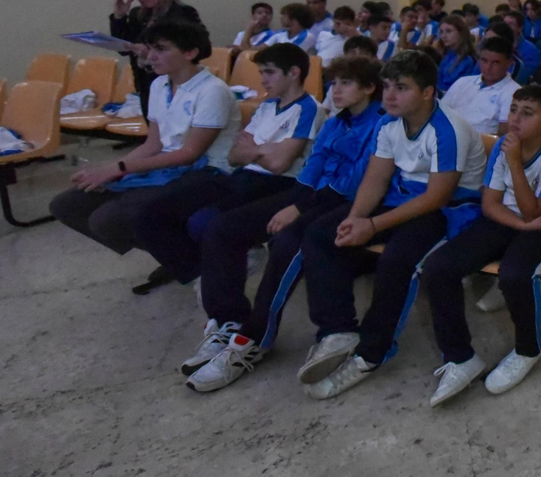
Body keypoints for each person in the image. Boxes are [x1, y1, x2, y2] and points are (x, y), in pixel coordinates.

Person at [183, 56, 387, 392]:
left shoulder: (380, 124)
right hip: (312, 195)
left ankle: (252, 339)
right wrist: (296, 202)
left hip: (348, 203)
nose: (335, 90)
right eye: (333, 82)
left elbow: (353, 184)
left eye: (346, 83)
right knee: (222, 228)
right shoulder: (337, 122)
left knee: (289, 243)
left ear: (369, 88)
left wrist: (298, 209)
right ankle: (226, 321)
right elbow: (312, 169)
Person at [297, 50, 487, 399]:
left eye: (401, 88)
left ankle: (372, 353)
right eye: (386, 86)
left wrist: (372, 226)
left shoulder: (450, 129)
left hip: (448, 210)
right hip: (401, 198)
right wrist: (355, 218)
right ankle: (337, 329)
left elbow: (437, 198)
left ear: (428, 92)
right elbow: (376, 177)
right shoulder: (388, 122)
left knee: (397, 262)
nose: (389, 95)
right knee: (323, 233)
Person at [417, 86, 541, 406]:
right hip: (513, 216)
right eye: (513, 110)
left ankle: (529, 348)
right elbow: (490, 204)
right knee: (439, 267)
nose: (515, 119)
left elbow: (536, 211)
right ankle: (460, 358)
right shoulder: (505, 145)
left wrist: (515, 164)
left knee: (515, 274)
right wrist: (521, 226)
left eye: (527, 113)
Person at [49, 20, 236, 285]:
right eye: (150, 48)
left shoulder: (212, 90)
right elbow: (153, 144)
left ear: (190, 52)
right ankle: (176, 253)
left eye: (161, 49)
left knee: (108, 219)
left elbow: (190, 153)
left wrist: (120, 169)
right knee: (67, 205)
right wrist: (111, 170)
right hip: (168, 166)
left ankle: (200, 264)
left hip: (209, 172)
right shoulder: (161, 85)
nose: (151, 55)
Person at [130, 42, 323, 293]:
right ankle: (201, 274)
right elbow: (233, 156)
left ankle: (224, 276)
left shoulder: (309, 109)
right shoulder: (266, 107)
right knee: (151, 213)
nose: (262, 79)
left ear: (294, 73)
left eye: (269, 72)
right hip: (241, 174)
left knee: (204, 223)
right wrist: (261, 150)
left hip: (278, 183)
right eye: (261, 72)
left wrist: (253, 150)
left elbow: (279, 164)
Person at [108, 0, 202, 116]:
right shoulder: (138, 15)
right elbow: (123, 50)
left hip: (175, 85)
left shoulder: (183, 13)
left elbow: (203, 49)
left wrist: (152, 51)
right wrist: (119, 17)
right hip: (146, 85)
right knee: (154, 134)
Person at [441, 35, 520, 135]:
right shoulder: (463, 82)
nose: (488, 67)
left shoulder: (513, 93)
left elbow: (503, 137)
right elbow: (441, 113)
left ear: (509, 63)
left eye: (496, 62)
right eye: (484, 60)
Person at [435, 14, 480, 93]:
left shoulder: (468, 59)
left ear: (461, 32)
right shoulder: (448, 55)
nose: (443, 36)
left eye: (449, 31)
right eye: (441, 32)